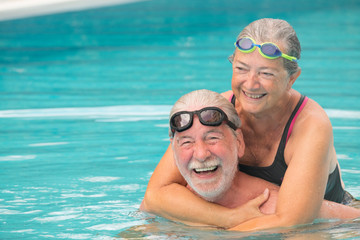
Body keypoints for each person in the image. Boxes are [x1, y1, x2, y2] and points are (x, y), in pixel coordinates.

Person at [142, 18, 359, 231]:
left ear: (292, 79)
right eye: (242, 69)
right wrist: (229, 217)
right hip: (249, 217)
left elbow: (291, 221)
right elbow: (155, 195)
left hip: (330, 224)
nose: (251, 84)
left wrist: (218, 236)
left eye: (266, 73)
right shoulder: (216, 113)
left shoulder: (310, 125)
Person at [141, 89, 360, 228]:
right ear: (173, 149)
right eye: (186, 142)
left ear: (239, 142)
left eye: (212, 138)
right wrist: (228, 219)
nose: (200, 154)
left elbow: (353, 220)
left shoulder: (266, 203)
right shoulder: (164, 201)